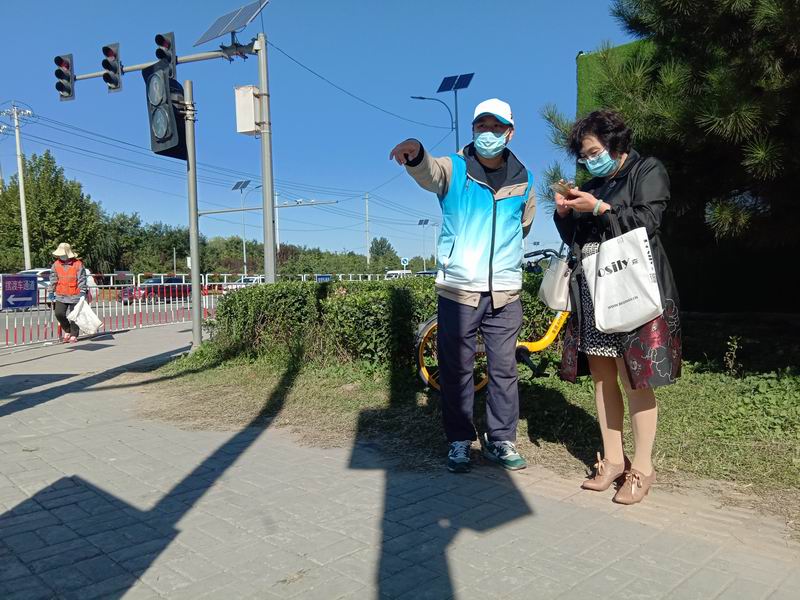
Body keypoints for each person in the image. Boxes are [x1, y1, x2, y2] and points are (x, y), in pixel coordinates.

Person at [389, 99, 536, 473]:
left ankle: (501, 440)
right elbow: (430, 172)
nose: (488, 133)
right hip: (459, 289)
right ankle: (459, 440)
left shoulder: (525, 179)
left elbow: (523, 227)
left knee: (504, 369)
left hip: (505, 290)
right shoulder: (454, 168)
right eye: (481, 126)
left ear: (510, 132)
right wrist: (416, 152)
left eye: (496, 127)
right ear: (473, 129)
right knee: (456, 369)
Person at [553, 109, 681, 504]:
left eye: (594, 152)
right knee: (602, 376)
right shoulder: (594, 184)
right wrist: (565, 214)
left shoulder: (647, 169)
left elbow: (648, 221)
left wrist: (599, 208)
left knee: (634, 377)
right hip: (593, 288)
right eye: (584, 155)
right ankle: (612, 460)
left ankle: (642, 467)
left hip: (631, 288)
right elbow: (577, 237)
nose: (589, 160)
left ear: (616, 142)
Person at [48, 242, 88, 343]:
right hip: (61, 294)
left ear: (68, 254)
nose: (61, 256)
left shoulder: (78, 264)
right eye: (60, 254)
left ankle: (74, 335)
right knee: (59, 313)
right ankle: (67, 330)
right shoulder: (56, 264)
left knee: (75, 315)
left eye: (63, 254)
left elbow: (82, 279)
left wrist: (83, 291)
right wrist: (51, 290)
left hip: (75, 293)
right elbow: (53, 278)